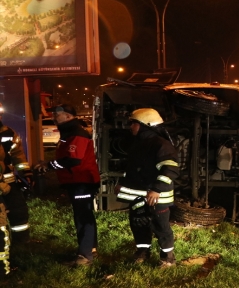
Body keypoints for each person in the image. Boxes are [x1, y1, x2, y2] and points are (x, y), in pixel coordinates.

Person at [34, 104, 100, 267]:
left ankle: (85, 256)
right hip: (78, 181)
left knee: (83, 217)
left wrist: (49, 166)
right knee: (84, 216)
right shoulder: (69, 133)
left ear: (69, 117)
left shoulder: (76, 134)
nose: (54, 117)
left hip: (81, 181)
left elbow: (73, 160)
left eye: (59, 115)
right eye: (54, 115)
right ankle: (89, 250)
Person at [115, 108, 179, 268]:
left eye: (134, 123)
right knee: (138, 223)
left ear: (146, 125)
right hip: (138, 195)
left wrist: (156, 189)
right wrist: (123, 184)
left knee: (161, 227)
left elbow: (170, 168)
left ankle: (167, 258)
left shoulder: (161, 144)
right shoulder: (139, 143)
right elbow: (133, 169)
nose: (131, 127)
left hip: (157, 197)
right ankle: (142, 252)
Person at [0, 102, 32, 274]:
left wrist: (26, 173)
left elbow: (17, 156)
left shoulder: (8, 133)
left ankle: (22, 243)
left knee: (19, 212)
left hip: (9, 183)